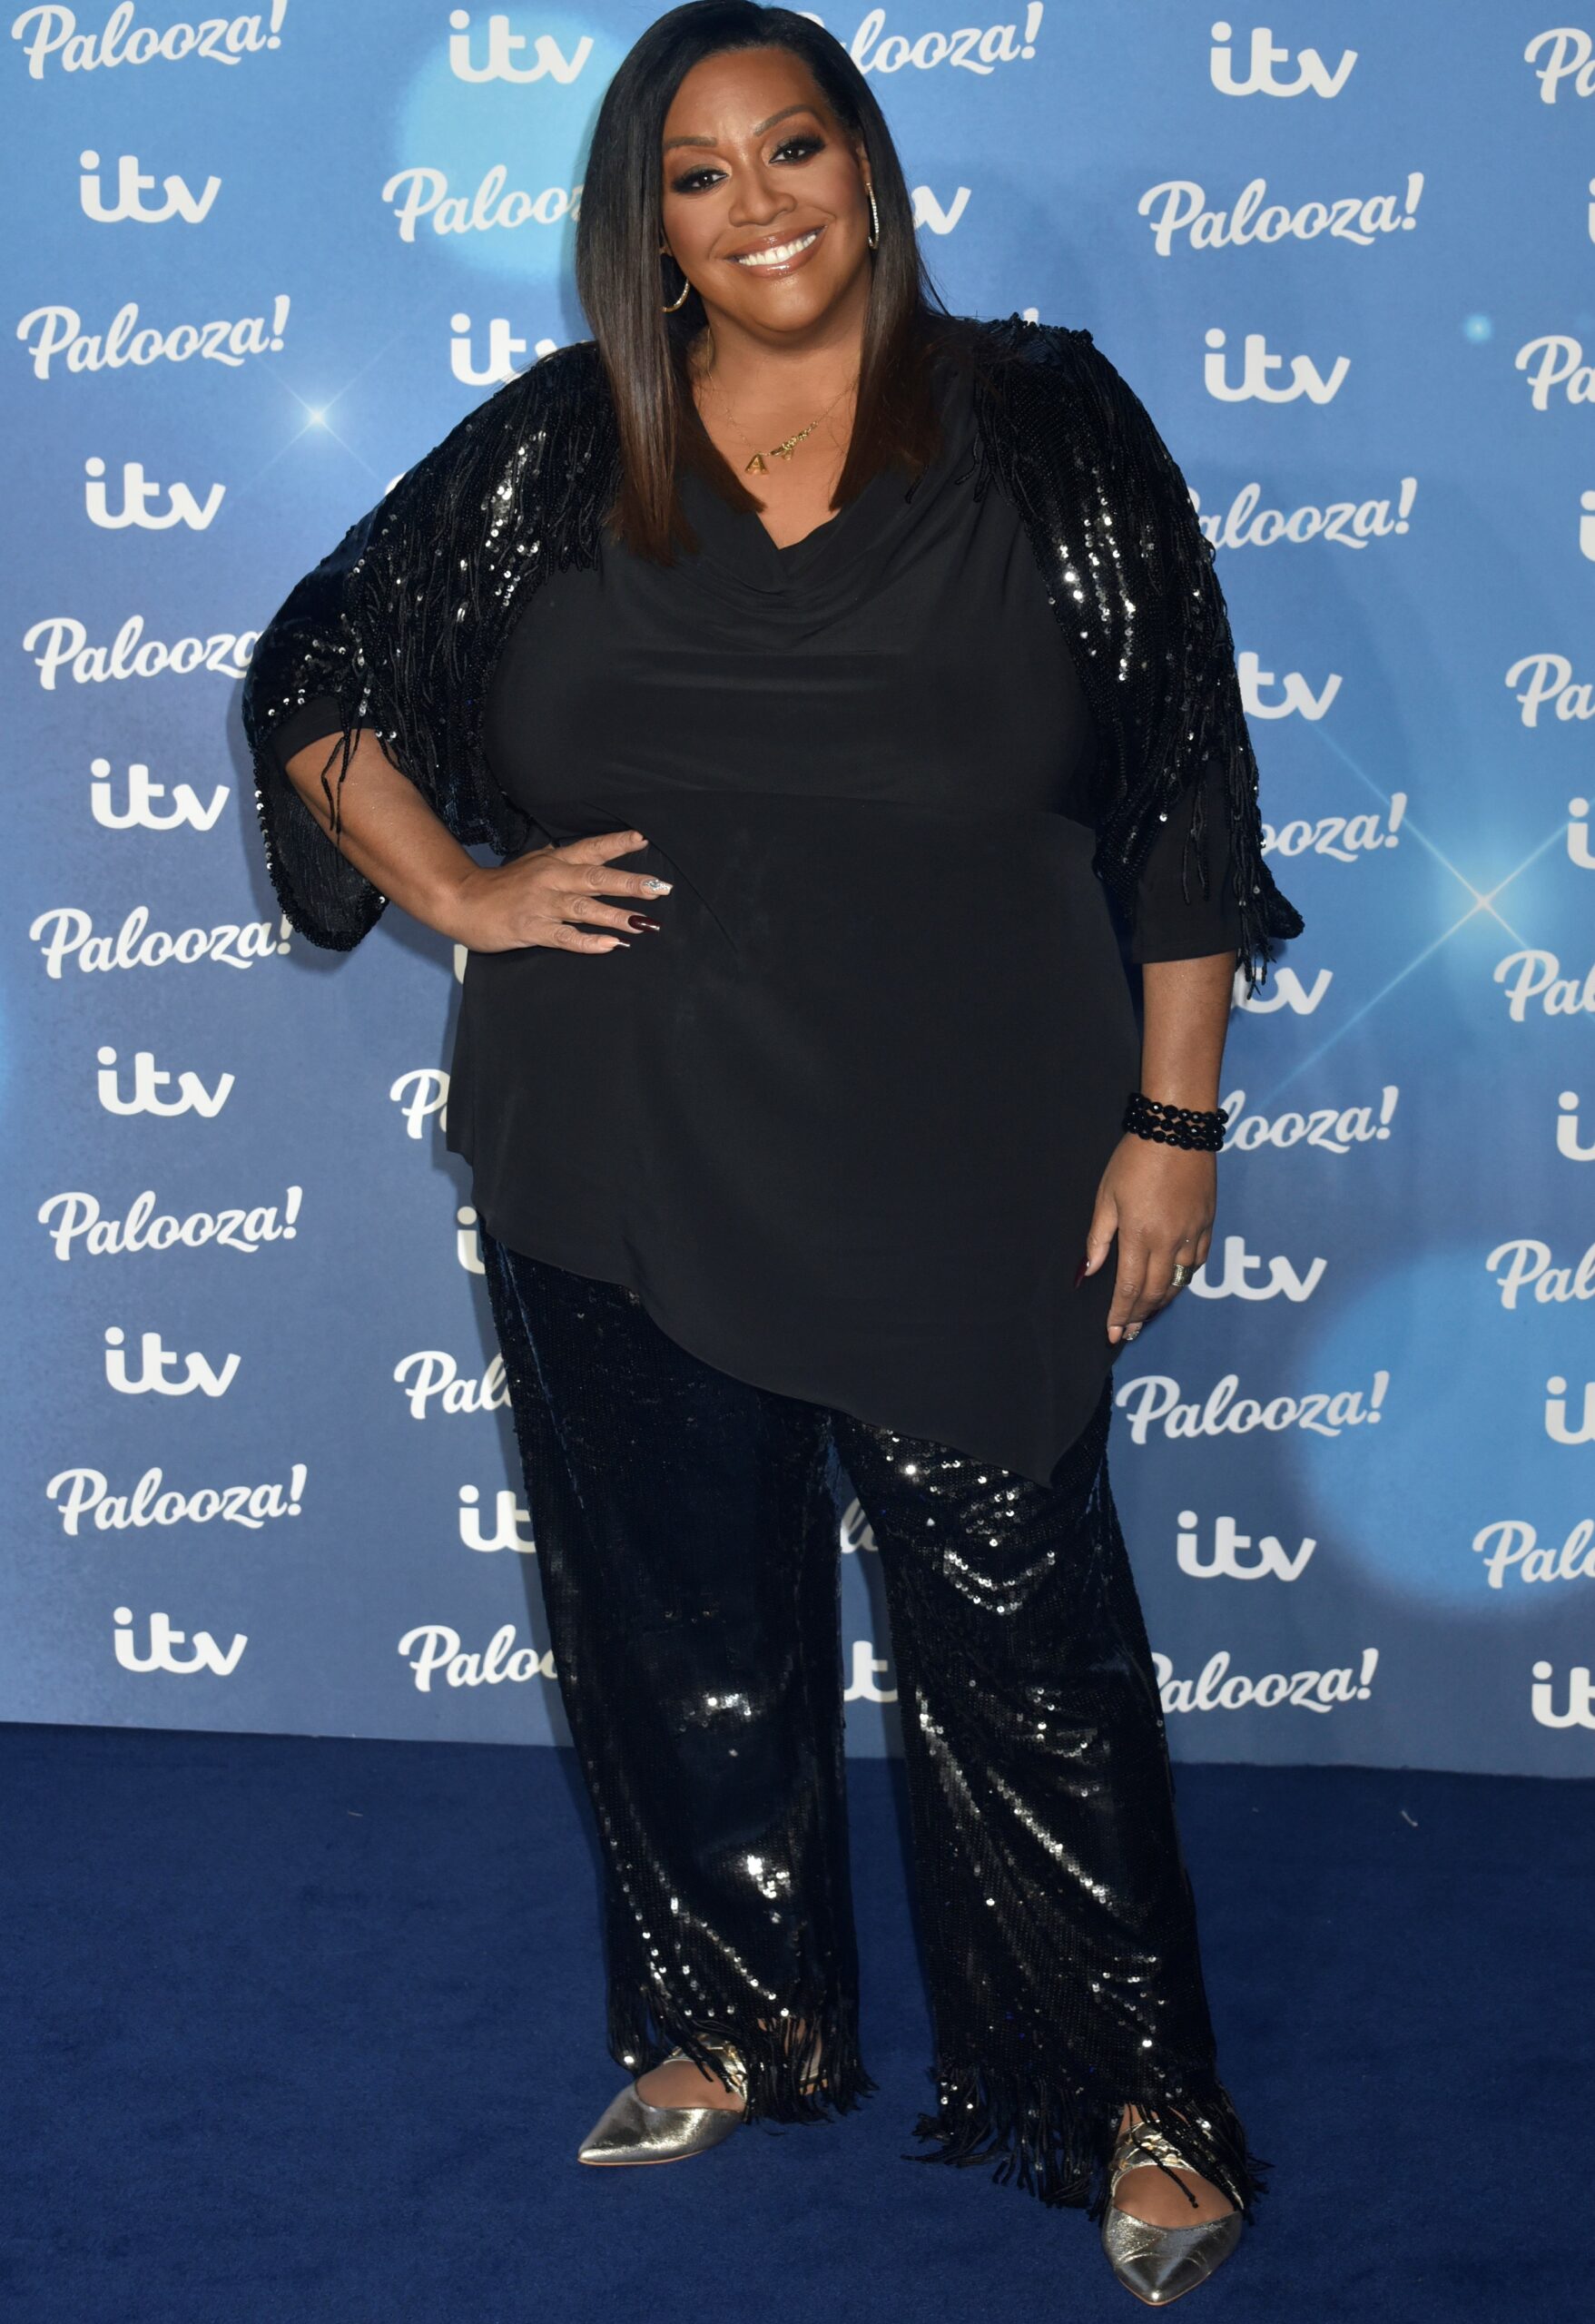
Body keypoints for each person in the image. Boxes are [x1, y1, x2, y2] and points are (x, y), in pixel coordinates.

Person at [242, 3, 1304, 2304]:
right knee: (676, 1614)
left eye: (792, 146)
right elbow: (315, 671)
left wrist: (1174, 1119)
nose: (758, 205)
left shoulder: (1046, 422)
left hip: (973, 1156)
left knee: (1027, 1640)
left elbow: (1186, 789)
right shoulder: (564, 445)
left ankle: (1138, 2090)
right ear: (648, 231)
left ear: (868, 164)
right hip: (612, 1136)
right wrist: (461, 892)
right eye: (697, 175)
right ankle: (736, 2014)